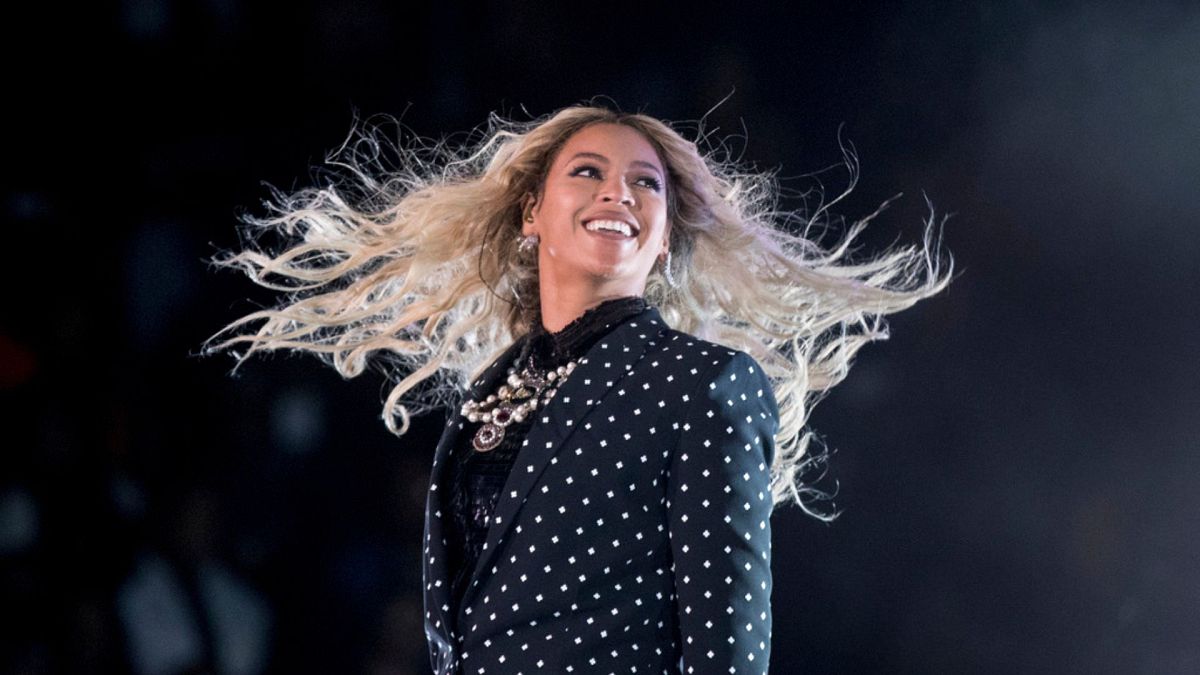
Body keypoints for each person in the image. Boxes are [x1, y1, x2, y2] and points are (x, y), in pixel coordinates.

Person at [207, 104, 950, 674]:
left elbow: (728, 642)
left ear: (664, 237)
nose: (617, 192)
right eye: (588, 171)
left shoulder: (704, 382)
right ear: (533, 212)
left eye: (644, 183)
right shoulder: (488, 396)